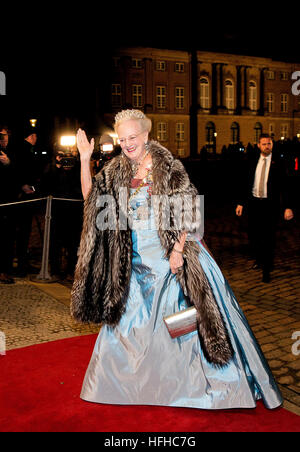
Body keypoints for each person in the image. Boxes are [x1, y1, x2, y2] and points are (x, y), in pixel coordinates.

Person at [71, 110, 282, 410]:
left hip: (168, 257)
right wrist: (84, 159)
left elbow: (189, 211)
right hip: (132, 262)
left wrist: (178, 251)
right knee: (130, 325)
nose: (128, 144)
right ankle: (137, 386)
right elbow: (92, 200)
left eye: (133, 137)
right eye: (123, 139)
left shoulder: (167, 167)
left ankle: (188, 387)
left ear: (146, 136)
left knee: (178, 325)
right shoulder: (116, 169)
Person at [236, 134, 294, 283]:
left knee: (269, 237)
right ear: (258, 145)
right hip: (255, 204)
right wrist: (241, 203)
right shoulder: (252, 161)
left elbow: (285, 186)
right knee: (254, 235)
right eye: (264, 144)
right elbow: (246, 182)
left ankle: (267, 269)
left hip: (270, 205)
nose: (267, 146)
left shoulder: (279, 163)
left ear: (272, 145)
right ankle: (260, 259)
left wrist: (287, 207)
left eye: (269, 144)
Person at [41, 150, 83, 278]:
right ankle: (55, 270)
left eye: (68, 157)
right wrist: (57, 167)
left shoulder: (78, 167)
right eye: (62, 156)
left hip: (74, 211)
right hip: (57, 210)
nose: (66, 161)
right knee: (55, 242)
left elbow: (80, 184)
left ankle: (71, 269)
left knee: (73, 242)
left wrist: (77, 162)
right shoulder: (53, 168)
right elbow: (46, 183)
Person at [14, 127, 40, 276]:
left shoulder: (24, 149)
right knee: (23, 230)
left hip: (25, 193)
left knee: (24, 231)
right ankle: (21, 263)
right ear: (32, 136)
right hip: (24, 196)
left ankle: (22, 261)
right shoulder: (26, 150)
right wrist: (26, 186)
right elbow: (25, 170)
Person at [0, 126, 17, 284]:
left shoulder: (13, 153)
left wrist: (8, 163)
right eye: (0, 136)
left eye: (5, 135)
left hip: (8, 202)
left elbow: (17, 175)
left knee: (7, 239)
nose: (3, 139)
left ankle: (5, 270)